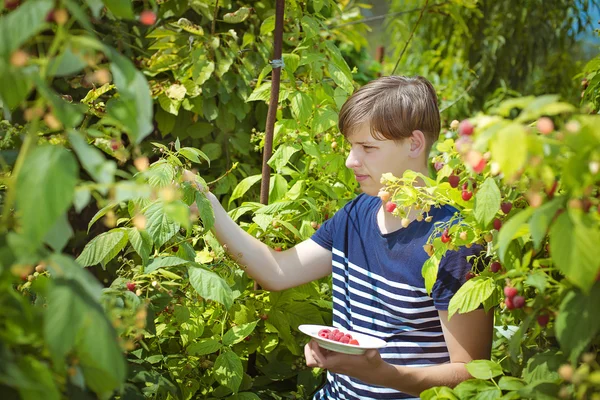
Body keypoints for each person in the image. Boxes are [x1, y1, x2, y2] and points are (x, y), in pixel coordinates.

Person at [204, 75, 493, 400]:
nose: (350, 161)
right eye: (351, 146)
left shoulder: (455, 242)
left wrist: (382, 374)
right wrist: (206, 204)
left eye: (367, 147)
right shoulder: (357, 214)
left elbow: (471, 373)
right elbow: (278, 271)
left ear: (414, 143)